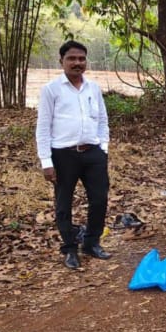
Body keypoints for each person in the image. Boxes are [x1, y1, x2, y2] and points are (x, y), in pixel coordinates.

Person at [35, 40, 110, 271]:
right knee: (63, 203)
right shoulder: (51, 89)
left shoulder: (93, 88)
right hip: (63, 155)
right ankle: (69, 248)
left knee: (99, 199)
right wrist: (46, 162)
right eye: (72, 59)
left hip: (93, 153)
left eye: (81, 59)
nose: (77, 63)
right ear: (62, 61)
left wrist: (103, 148)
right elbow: (43, 127)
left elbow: (103, 120)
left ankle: (91, 243)